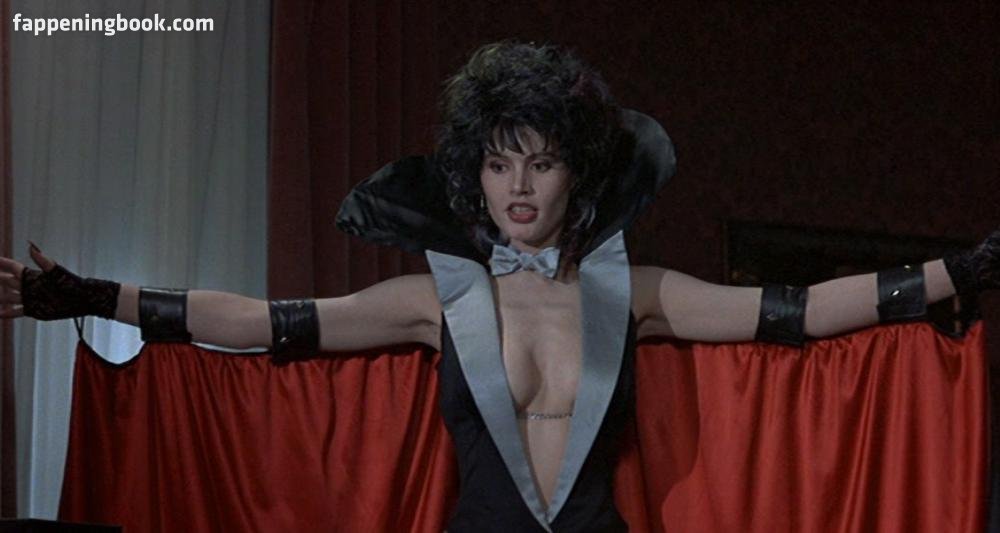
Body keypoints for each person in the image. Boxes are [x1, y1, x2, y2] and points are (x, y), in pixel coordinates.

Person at [1, 41, 998, 532]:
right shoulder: (436, 300)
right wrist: (92, 294)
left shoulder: (637, 290)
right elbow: (264, 321)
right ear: (472, 175)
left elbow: (802, 311)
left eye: (541, 161)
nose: (519, 186)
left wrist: (959, 271)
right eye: (498, 161)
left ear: (577, 175)